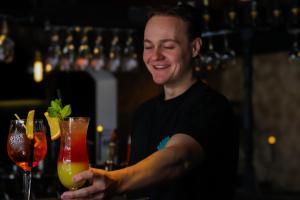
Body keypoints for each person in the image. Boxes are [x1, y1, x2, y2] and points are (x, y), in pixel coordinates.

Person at [61, 3, 239, 200]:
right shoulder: (144, 113)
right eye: (148, 46)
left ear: (195, 47)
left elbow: (179, 159)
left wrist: (116, 180)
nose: (155, 56)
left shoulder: (211, 106)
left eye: (168, 46)